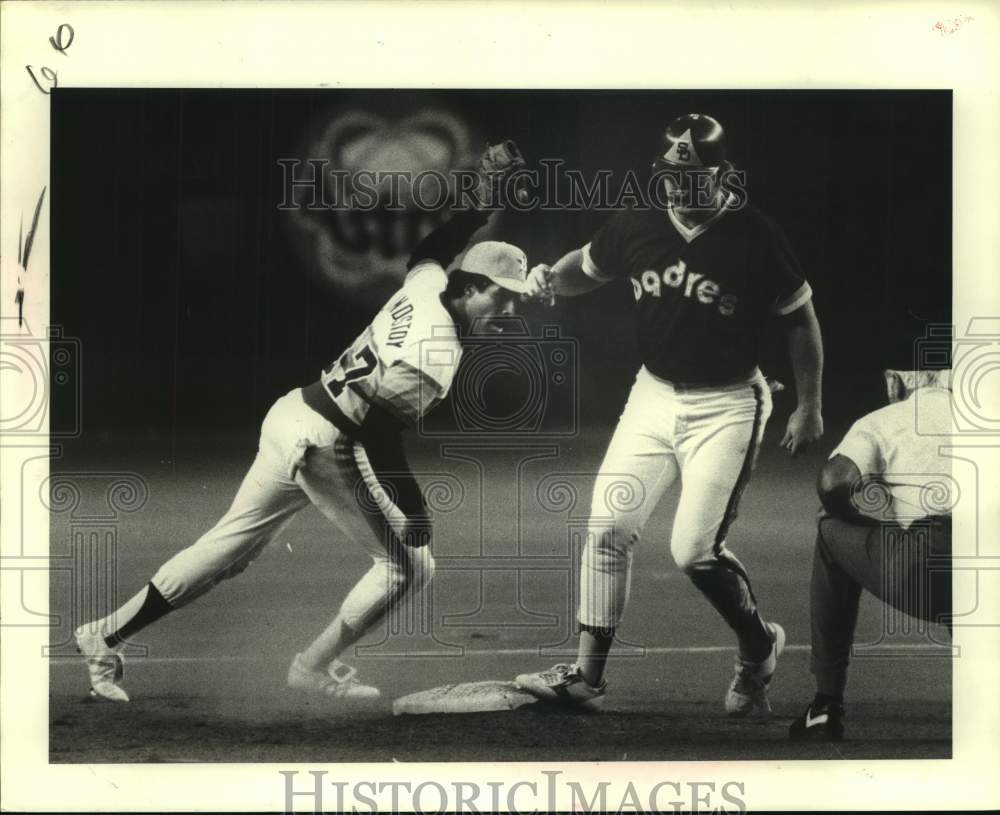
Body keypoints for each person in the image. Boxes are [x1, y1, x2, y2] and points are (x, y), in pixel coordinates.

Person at [75, 142, 530, 702]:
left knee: (228, 550)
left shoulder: (428, 287)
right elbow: (380, 434)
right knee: (412, 567)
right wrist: (415, 509)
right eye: (499, 298)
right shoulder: (436, 351)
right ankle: (311, 668)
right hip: (331, 441)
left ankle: (104, 635)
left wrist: (479, 208)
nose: (507, 312)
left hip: (294, 412)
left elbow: (431, 249)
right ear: (467, 288)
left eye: (514, 302)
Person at [516, 113, 824, 715]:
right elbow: (587, 266)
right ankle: (586, 677)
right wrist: (550, 279)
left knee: (693, 552)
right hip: (653, 395)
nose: (680, 186)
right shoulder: (638, 222)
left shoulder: (755, 234)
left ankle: (759, 649)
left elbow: (801, 321)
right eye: (671, 174)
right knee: (606, 528)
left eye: (694, 174)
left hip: (729, 404)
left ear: (723, 172)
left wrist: (809, 405)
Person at [789, 369, 953, 741]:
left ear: (896, 383)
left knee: (829, 529)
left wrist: (876, 526)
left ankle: (825, 705)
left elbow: (834, 484)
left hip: (926, 561)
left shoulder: (883, 419)